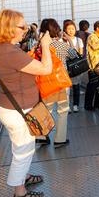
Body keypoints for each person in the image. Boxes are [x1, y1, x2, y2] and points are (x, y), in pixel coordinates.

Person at [0, 9, 52, 197]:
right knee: (23, 151)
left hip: (10, 107)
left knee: (22, 147)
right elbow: (45, 69)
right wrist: (46, 46)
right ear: (9, 28)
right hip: (18, 110)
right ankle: (20, 192)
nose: (25, 30)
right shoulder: (9, 52)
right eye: (21, 26)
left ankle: (22, 176)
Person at [35, 18, 72, 148]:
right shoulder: (61, 45)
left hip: (45, 82)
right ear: (56, 29)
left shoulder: (39, 45)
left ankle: (41, 137)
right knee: (62, 111)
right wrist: (69, 40)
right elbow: (75, 55)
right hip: (60, 83)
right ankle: (59, 139)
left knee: (46, 110)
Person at [63, 19, 84, 113]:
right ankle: (67, 106)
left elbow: (81, 53)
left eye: (73, 28)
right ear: (65, 29)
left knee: (76, 87)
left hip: (75, 68)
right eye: (69, 29)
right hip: (65, 67)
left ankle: (76, 105)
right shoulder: (62, 40)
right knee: (66, 89)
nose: (71, 30)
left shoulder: (79, 40)